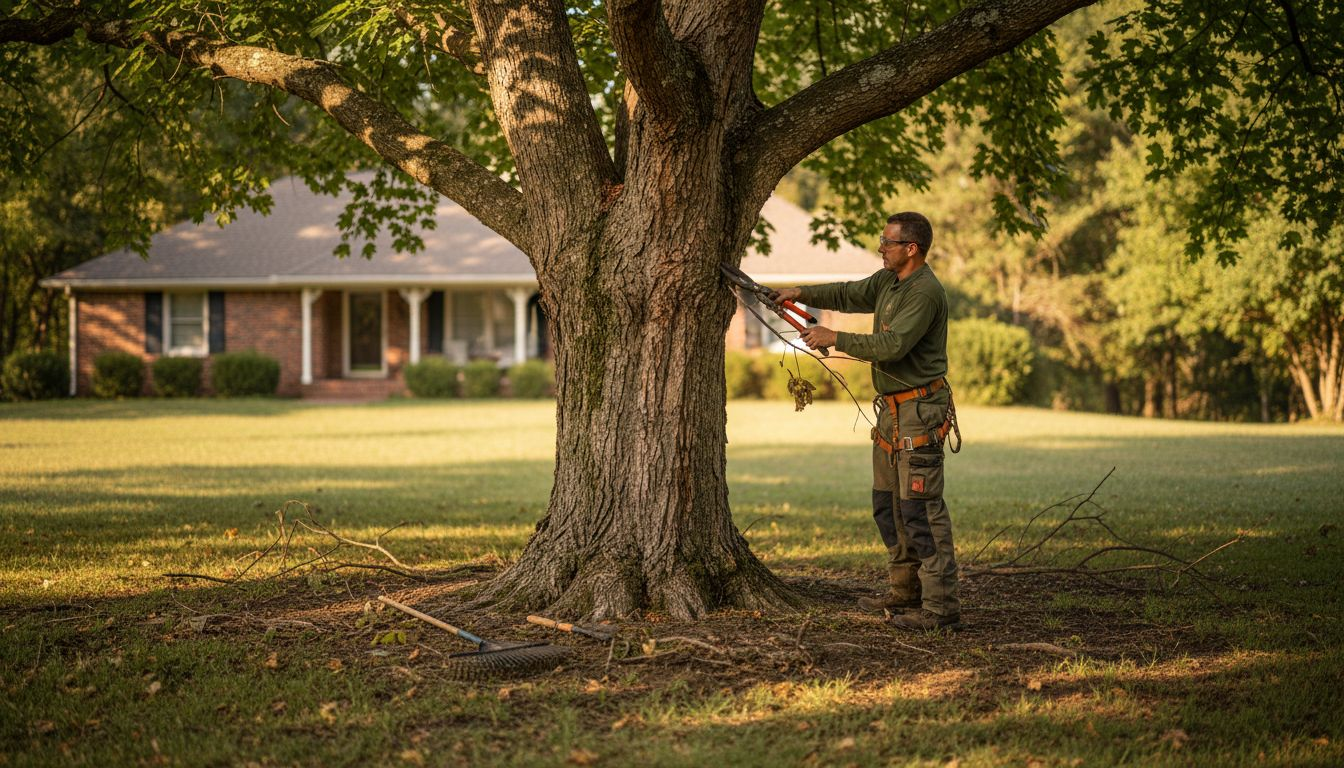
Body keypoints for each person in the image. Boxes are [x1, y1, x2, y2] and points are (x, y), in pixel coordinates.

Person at [775, 212, 961, 631]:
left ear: (911, 249)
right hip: (891, 413)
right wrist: (798, 292)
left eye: (888, 242)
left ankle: (941, 608)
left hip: (920, 412)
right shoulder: (887, 283)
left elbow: (893, 346)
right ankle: (904, 591)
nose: (881, 247)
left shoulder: (925, 291)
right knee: (887, 505)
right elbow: (847, 293)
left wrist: (834, 337)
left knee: (921, 509)